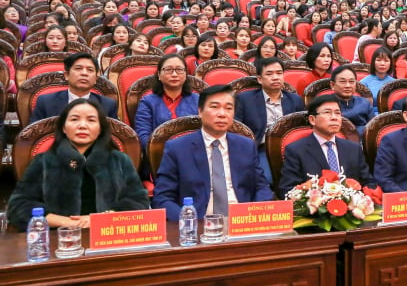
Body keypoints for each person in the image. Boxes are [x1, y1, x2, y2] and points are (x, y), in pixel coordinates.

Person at [8, 99, 149, 229]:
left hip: (108, 238)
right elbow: (18, 206)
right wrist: (66, 222)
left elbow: (139, 201)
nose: (82, 126)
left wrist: (101, 219)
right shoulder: (44, 161)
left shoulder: (119, 160)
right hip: (58, 241)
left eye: (91, 120)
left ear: (100, 129)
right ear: (64, 127)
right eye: (74, 119)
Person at [152, 85, 275, 221]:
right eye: (215, 107)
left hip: (242, 222)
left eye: (228, 108)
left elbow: (262, 187)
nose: (222, 114)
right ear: (200, 111)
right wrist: (188, 222)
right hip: (198, 224)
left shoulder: (246, 146)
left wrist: (253, 216)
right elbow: (162, 198)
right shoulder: (177, 148)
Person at [277, 94, 375, 196]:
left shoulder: (353, 149)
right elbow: (287, 190)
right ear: (312, 119)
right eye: (327, 112)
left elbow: (368, 183)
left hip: (352, 208)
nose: (334, 117)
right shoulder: (296, 150)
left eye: (337, 113)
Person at [234, 57, 304, 180]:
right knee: (267, 178)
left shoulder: (295, 100)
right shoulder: (245, 99)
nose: (275, 77)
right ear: (260, 79)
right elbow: (237, 128)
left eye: (279, 73)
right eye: (269, 74)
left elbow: (301, 130)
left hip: (292, 150)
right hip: (262, 149)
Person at [31, 53, 118, 122]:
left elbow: (113, 138)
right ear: (67, 75)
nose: (84, 73)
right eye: (78, 68)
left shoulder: (108, 105)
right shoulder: (45, 102)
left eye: (90, 70)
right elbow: (34, 137)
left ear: (95, 78)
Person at [330, 64, 374, 137]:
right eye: (343, 81)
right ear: (332, 85)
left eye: (351, 81)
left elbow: (373, 128)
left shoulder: (365, 103)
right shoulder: (324, 104)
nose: (348, 86)